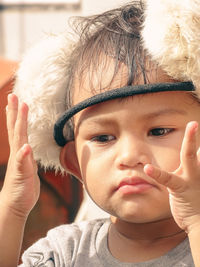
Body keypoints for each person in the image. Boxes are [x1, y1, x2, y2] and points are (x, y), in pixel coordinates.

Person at [1, 1, 200, 266]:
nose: (129, 156)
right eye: (103, 138)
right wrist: (13, 207)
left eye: (158, 131)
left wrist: (196, 220)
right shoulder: (64, 252)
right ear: (74, 164)